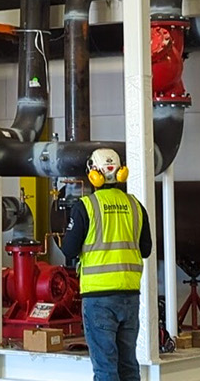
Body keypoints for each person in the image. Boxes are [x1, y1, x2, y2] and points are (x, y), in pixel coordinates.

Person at [61, 148, 153, 381]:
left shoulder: (86, 206)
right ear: (120, 172)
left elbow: (69, 251)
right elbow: (146, 250)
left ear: (94, 174)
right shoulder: (135, 206)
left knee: (105, 369)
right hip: (130, 296)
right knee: (129, 366)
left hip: (99, 298)